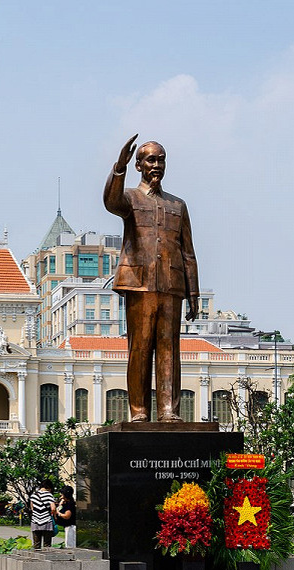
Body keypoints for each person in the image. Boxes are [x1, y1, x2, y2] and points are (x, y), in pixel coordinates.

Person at [104, 134, 199, 422]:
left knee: (170, 349)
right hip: (139, 283)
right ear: (139, 165)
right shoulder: (129, 198)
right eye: (150, 160)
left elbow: (188, 251)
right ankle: (139, 411)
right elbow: (111, 201)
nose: (157, 165)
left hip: (171, 287)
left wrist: (193, 294)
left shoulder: (177, 205)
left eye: (161, 160)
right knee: (140, 348)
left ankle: (169, 410)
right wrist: (118, 167)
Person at [30, 478, 57, 549]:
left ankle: (36, 558)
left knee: (36, 544)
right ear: (49, 487)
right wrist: (52, 514)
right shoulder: (49, 495)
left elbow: (32, 508)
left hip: (35, 521)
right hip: (47, 521)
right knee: (47, 544)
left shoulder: (33, 495)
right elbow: (53, 508)